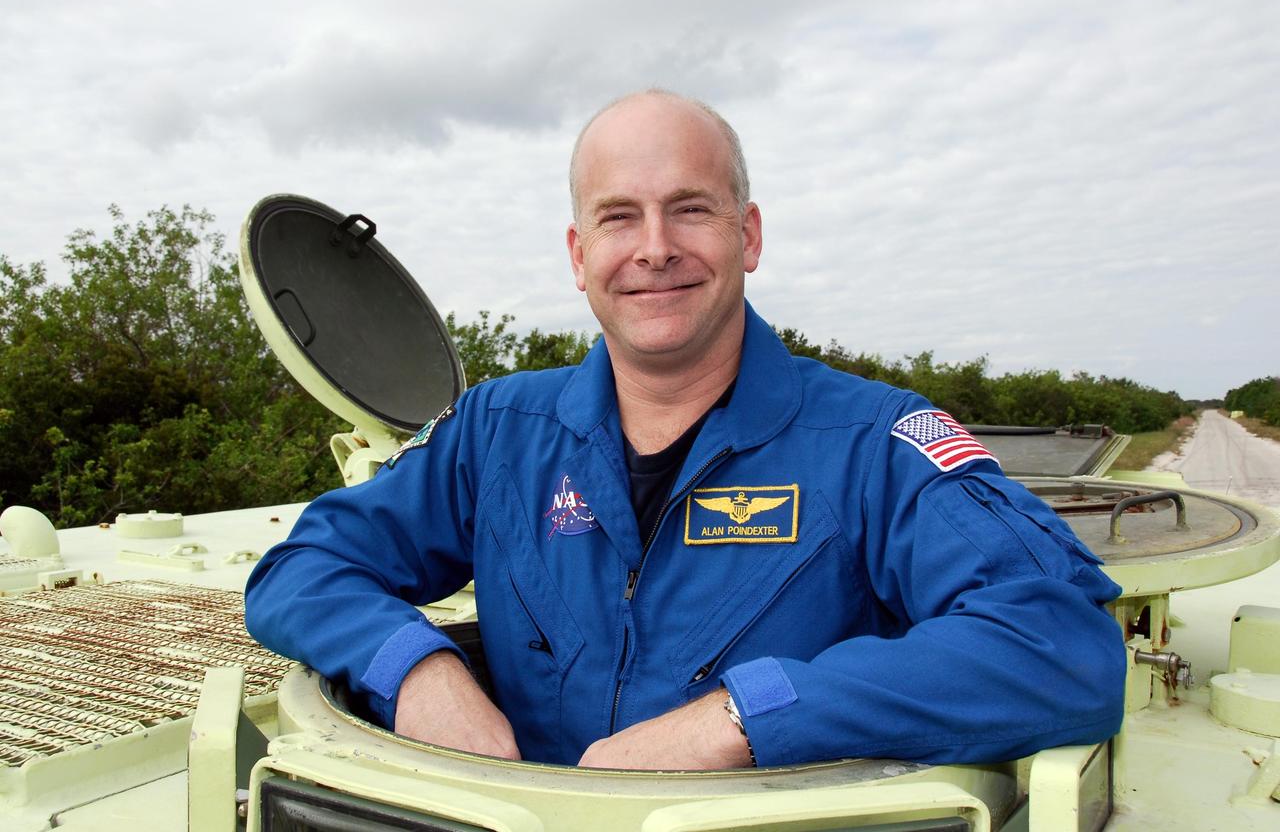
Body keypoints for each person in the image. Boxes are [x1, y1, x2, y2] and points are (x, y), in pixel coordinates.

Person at [245, 89, 1126, 770]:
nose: (655, 246)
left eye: (691, 209)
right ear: (577, 254)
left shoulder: (875, 442)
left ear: (747, 235)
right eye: (618, 216)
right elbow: (302, 569)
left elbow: (1062, 648)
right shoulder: (497, 432)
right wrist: (416, 669)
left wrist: (745, 719)